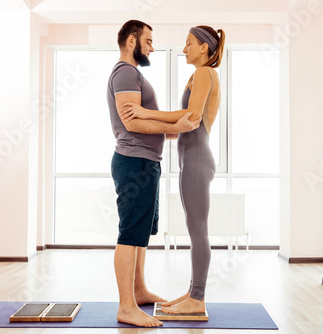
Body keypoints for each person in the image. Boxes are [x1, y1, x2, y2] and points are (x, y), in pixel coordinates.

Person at [120, 25, 225, 315]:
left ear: (204, 47)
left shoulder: (205, 73)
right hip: (190, 159)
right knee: (195, 229)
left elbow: (192, 116)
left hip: (197, 160)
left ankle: (198, 299)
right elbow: (186, 119)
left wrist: (145, 112)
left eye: (189, 43)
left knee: (198, 230)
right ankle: (193, 294)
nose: (184, 48)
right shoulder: (199, 74)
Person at [107, 20, 201, 327]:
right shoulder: (125, 72)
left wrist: (174, 130)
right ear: (132, 40)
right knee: (130, 232)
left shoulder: (134, 74)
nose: (152, 46)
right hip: (134, 162)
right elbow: (132, 122)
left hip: (146, 162)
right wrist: (175, 126)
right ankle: (126, 307)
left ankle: (140, 290)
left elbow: (149, 124)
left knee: (142, 231)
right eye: (148, 40)